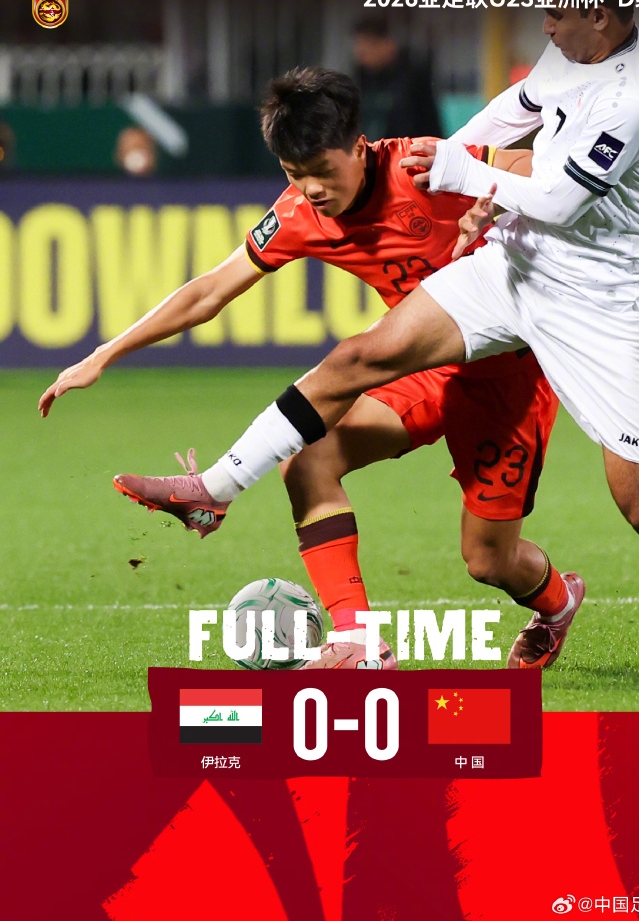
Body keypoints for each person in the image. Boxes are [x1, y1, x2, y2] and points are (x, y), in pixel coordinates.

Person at [39, 68, 574, 672]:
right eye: (295, 174)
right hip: (420, 368)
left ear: (359, 146)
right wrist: (104, 354)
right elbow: (209, 291)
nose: (311, 188)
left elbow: (546, 169)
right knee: (306, 458)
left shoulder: (423, 167)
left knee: (489, 561)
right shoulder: (299, 213)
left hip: (507, 379)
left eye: (322, 170)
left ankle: (557, 604)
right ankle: (358, 640)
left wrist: (493, 195)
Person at [352, 17, 442, 141]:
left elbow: (428, 122)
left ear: (387, 44)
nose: (363, 55)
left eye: (369, 46)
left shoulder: (413, 79)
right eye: (360, 48)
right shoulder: (359, 80)